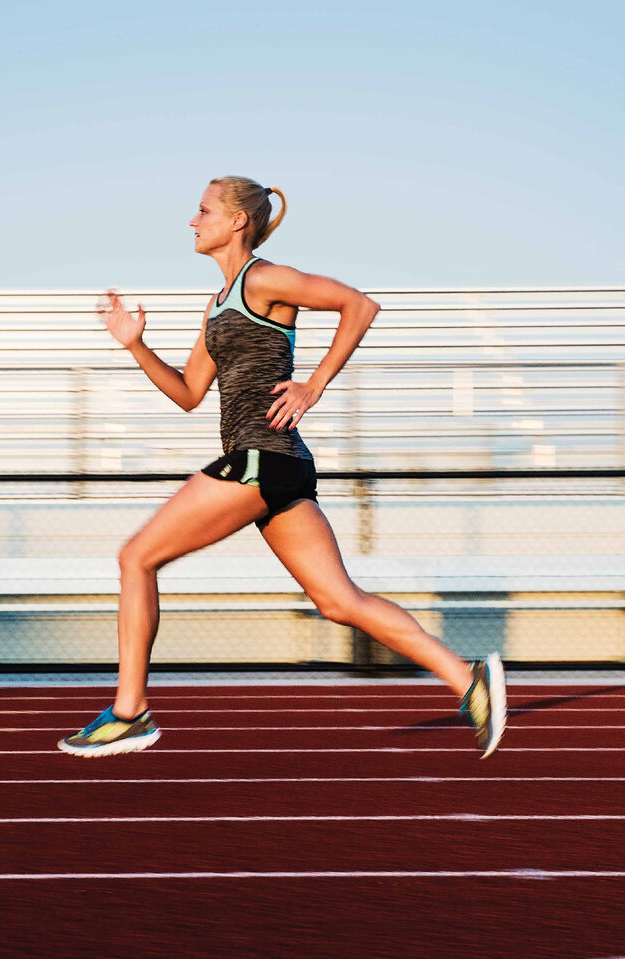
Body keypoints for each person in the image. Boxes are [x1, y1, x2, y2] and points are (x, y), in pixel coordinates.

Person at [58, 176, 506, 759]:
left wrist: (313, 385)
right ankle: (469, 682)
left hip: (260, 459)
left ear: (237, 220)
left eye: (202, 210)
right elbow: (190, 393)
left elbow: (359, 305)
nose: (191, 222)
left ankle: (129, 713)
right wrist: (135, 345)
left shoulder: (264, 279)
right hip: (278, 466)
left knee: (135, 557)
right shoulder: (217, 305)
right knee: (339, 602)